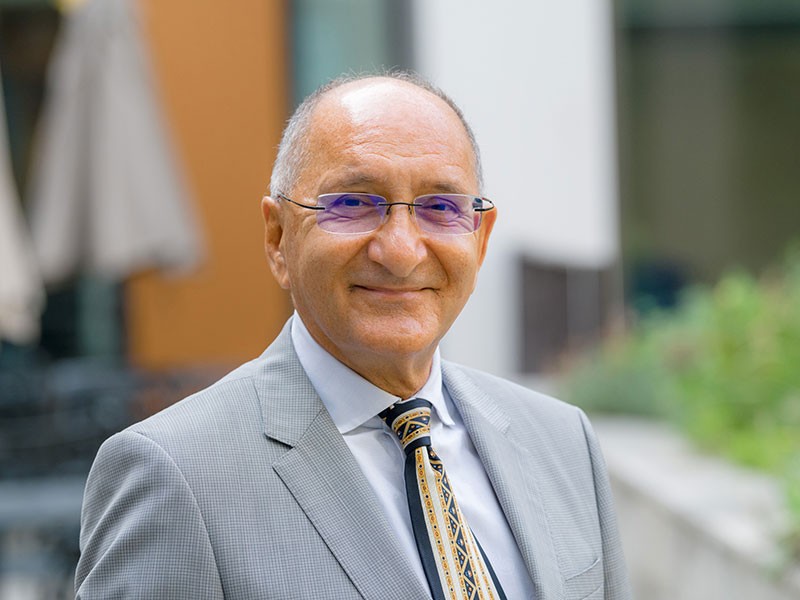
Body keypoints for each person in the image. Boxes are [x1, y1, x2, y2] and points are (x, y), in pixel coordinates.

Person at [75, 72, 632, 599]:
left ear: (480, 239)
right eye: (353, 204)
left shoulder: (564, 442)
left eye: (440, 207)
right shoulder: (176, 476)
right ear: (278, 238)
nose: (401, 250)